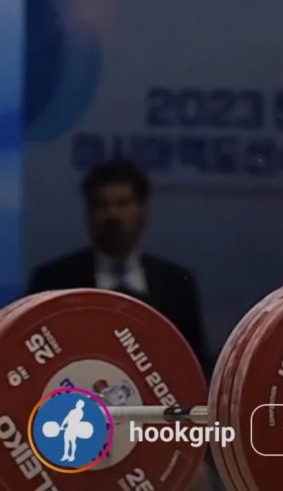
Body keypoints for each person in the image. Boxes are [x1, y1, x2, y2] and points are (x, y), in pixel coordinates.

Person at [27, 159, 208, 374]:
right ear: (88, 213)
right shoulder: (53, 282)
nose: (113, 215)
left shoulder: (177, 284)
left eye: (123, 203)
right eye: (102, 205)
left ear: (142, 210)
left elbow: (194, 369)